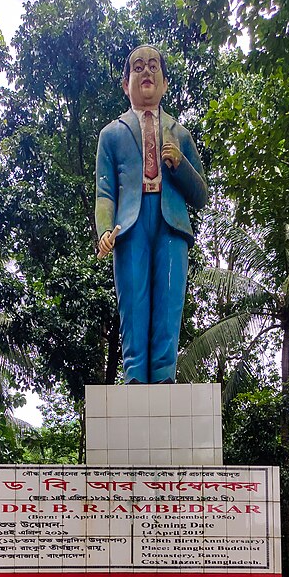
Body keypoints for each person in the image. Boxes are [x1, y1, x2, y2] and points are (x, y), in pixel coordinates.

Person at [95, 45, 207, 384]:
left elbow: (201, 194)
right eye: (138, 67)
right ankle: (134, 375)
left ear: (165, 83)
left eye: (153, 66)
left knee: (169, 299)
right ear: (125, 84)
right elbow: (104, 193)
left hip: (170, 222)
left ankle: (163, 375)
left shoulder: (180, 134)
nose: (146, 72)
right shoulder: (111, 134)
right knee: (133, 300)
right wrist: (103, 229)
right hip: (128, 225)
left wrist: (180, 165)